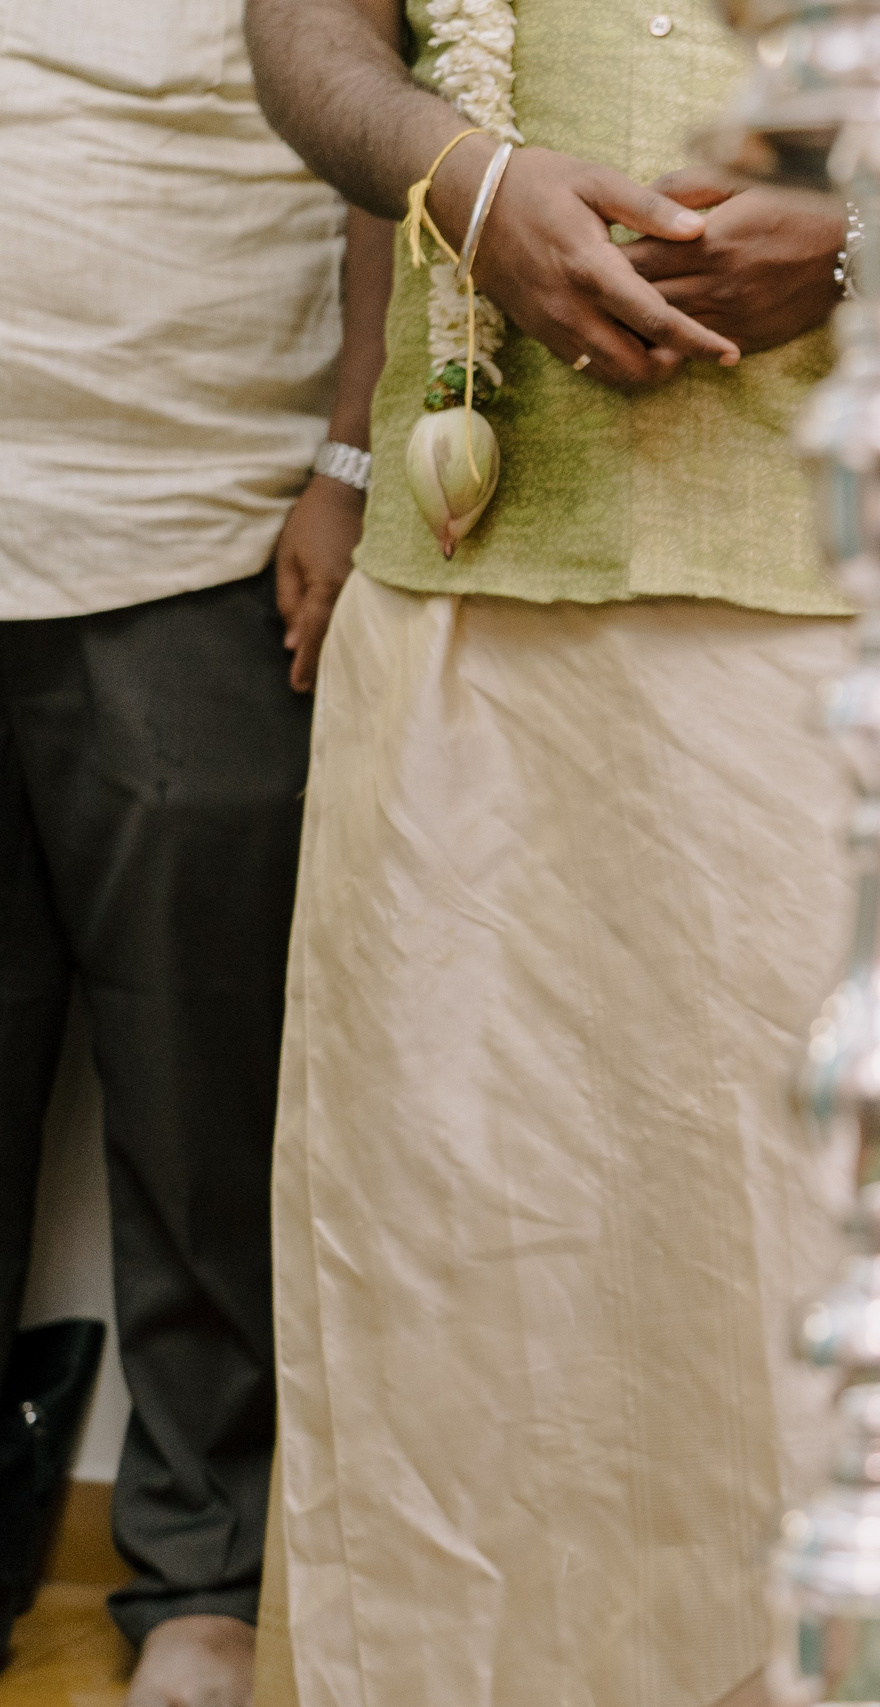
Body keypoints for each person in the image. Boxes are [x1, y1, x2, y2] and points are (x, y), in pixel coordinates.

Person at [242, 4, 880, 1705]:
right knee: (462, 1278)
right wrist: (470, 183)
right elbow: (311, 38)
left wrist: (867, 224)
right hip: (483, 577)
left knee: (879, 1260)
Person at [0, 6, 365, 1699]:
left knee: (203, 1116)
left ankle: (206, 1581)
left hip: (203, 531)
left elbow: (384, 143)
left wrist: (349, 460)